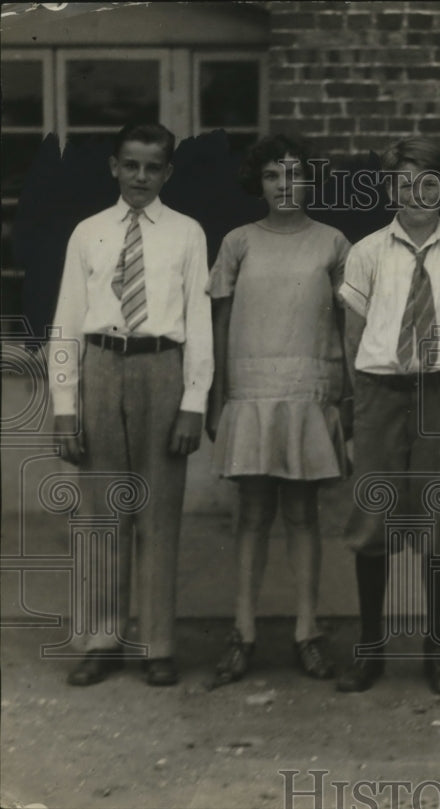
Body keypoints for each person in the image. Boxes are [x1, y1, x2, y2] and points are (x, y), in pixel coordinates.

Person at [49, 122, 213, 687]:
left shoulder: (188, 234)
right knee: (101, 514)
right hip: (100, 366)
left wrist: (194, 401)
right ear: (114, 167)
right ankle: (103, 639)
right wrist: (65, 405)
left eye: (152, 167)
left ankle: (157, 643)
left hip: (162, 367)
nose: (141, 176)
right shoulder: (88, 233)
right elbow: (67, 323)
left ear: (167, 172)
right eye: (131, 165)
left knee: (158, 512)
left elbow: (200, 321)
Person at [205, 134, 352, 688]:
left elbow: (345, 325)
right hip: (251, 390)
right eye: (273, 175)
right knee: (252, 515)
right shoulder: (238, 242)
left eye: (295, 174)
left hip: (310, 390)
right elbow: (220, 324)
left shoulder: (333, 242)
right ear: (259, 182)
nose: (285, 186)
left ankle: (307, 631)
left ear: (310, 180)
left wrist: (348, 393)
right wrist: (219, 394)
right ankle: (242, 633)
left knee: (303, 514)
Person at [337, 136, 440, 695]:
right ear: (388, 188)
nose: (416, 194)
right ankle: (371, 645)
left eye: (427, 182)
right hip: (379, 388)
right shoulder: (368, 251)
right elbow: (353, 332)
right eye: (402, 183)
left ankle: (436, 647)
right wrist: (359, 401)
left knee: (439, 519)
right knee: (373, 516)